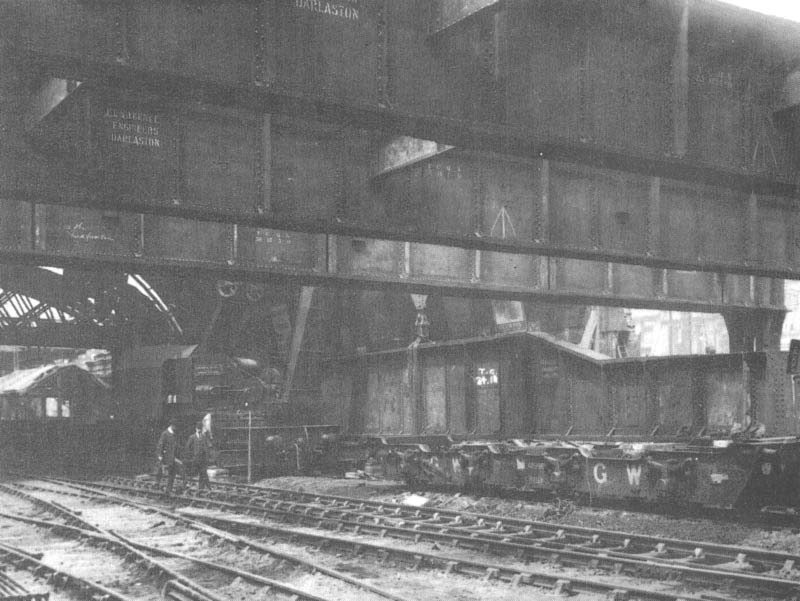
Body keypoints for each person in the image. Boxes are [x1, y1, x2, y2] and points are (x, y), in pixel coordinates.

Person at [156, 419, 184, 496]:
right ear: (171, 425)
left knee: (172, 474)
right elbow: (160, 445)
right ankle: (159, 486)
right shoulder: (165, 434)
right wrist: (160, 456)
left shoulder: (174, 434)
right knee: (166, 473)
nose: (176, 428)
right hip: (166, 457)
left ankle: (168, 490)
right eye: (175, 426)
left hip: (173, 457)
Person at [185, 421, 211, 491]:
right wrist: (190, 456)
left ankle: (202, 488)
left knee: (203, 474)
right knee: (192, 473)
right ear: (196, 429)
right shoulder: (192, 437)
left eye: (200, 428)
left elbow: (206, 448)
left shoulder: (203, 437)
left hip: (202, 459)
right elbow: (187, 447)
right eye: (198, 428)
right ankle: (188, 485)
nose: (199, 430)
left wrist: (206, 457)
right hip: (195, 459)